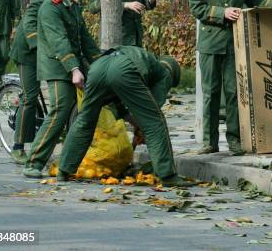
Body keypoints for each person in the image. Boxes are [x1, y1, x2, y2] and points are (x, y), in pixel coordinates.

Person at [189, 0, 272, 155]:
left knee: (233, 92)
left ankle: (234, 140)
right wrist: (223, 13)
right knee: (211, 93)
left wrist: (271, 4)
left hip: (235, 42)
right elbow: (196, 8)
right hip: (210, 43)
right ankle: (209, 142)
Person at [57, 46, 192, 187]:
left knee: (85, 121)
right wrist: (143, 128)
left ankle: (64, 170)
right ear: (173, 75)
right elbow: (151, 115)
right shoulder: (164, 73)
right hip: (123, 70)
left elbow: (120, 107)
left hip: (98, 67)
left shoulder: (143, 57)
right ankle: (168, 175)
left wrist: (136, 126)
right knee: (155, 122)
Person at [23, 0, 101, 178]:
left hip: (73, 64)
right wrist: (75, 69)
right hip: (57, 67)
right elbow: (59, 41)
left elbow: (85, 40)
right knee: (61, 109)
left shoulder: (73, 7)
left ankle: (70, 161)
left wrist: (101, 63)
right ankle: (34, 161)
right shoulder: (50, 7)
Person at [9, 0, 77, 164]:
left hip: (45, 51)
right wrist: (39, 46)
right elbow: (29, 21)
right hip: (27, 52)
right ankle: (18, 146)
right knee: (30, 96)